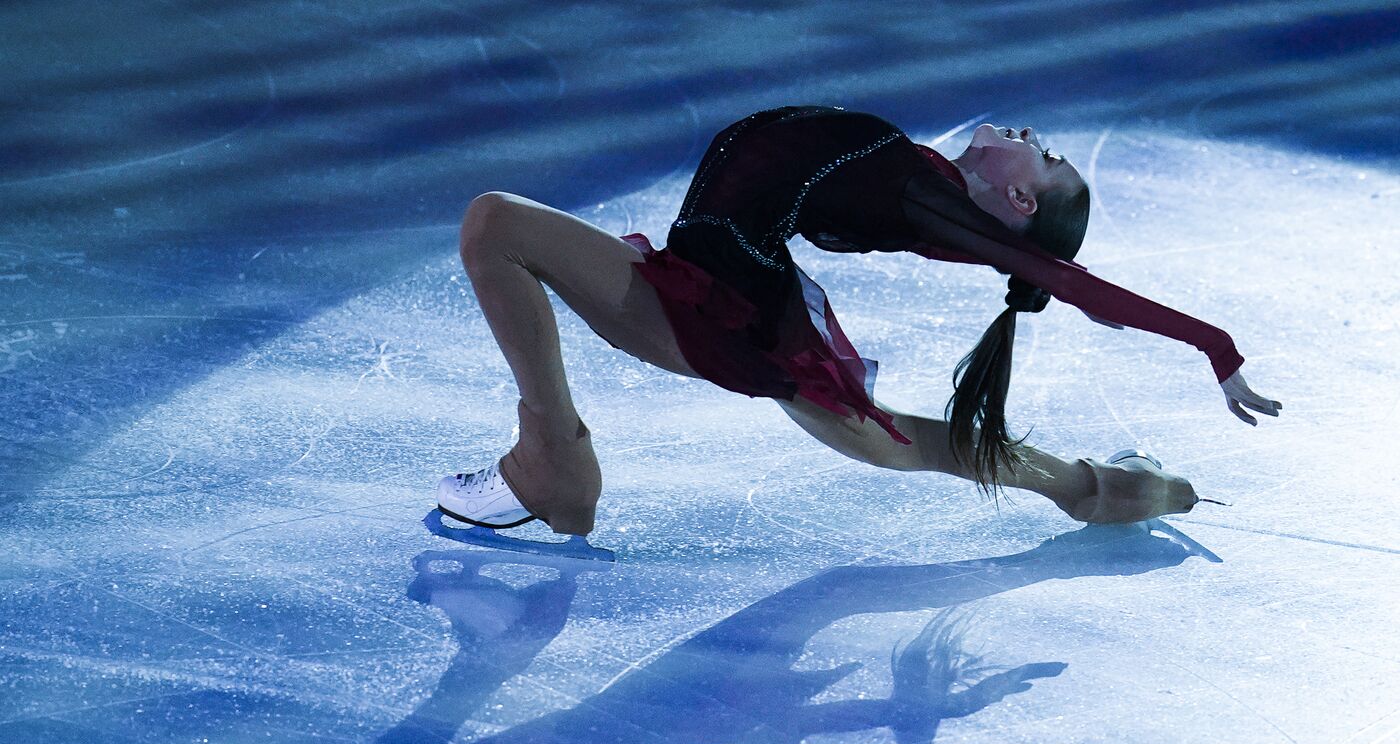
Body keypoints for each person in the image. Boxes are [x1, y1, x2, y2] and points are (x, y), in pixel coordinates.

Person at [437, 105, 1281, 537]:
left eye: (1048, 156)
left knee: (493, 224)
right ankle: (1098, 489)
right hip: (730, 290)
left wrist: (1218, 347)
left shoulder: (924, 196)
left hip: (717, 305)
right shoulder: (929, 184)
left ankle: (553, 464)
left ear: (1021, 197)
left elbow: (1077, 283)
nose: (1038, 136)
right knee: (897, 442)